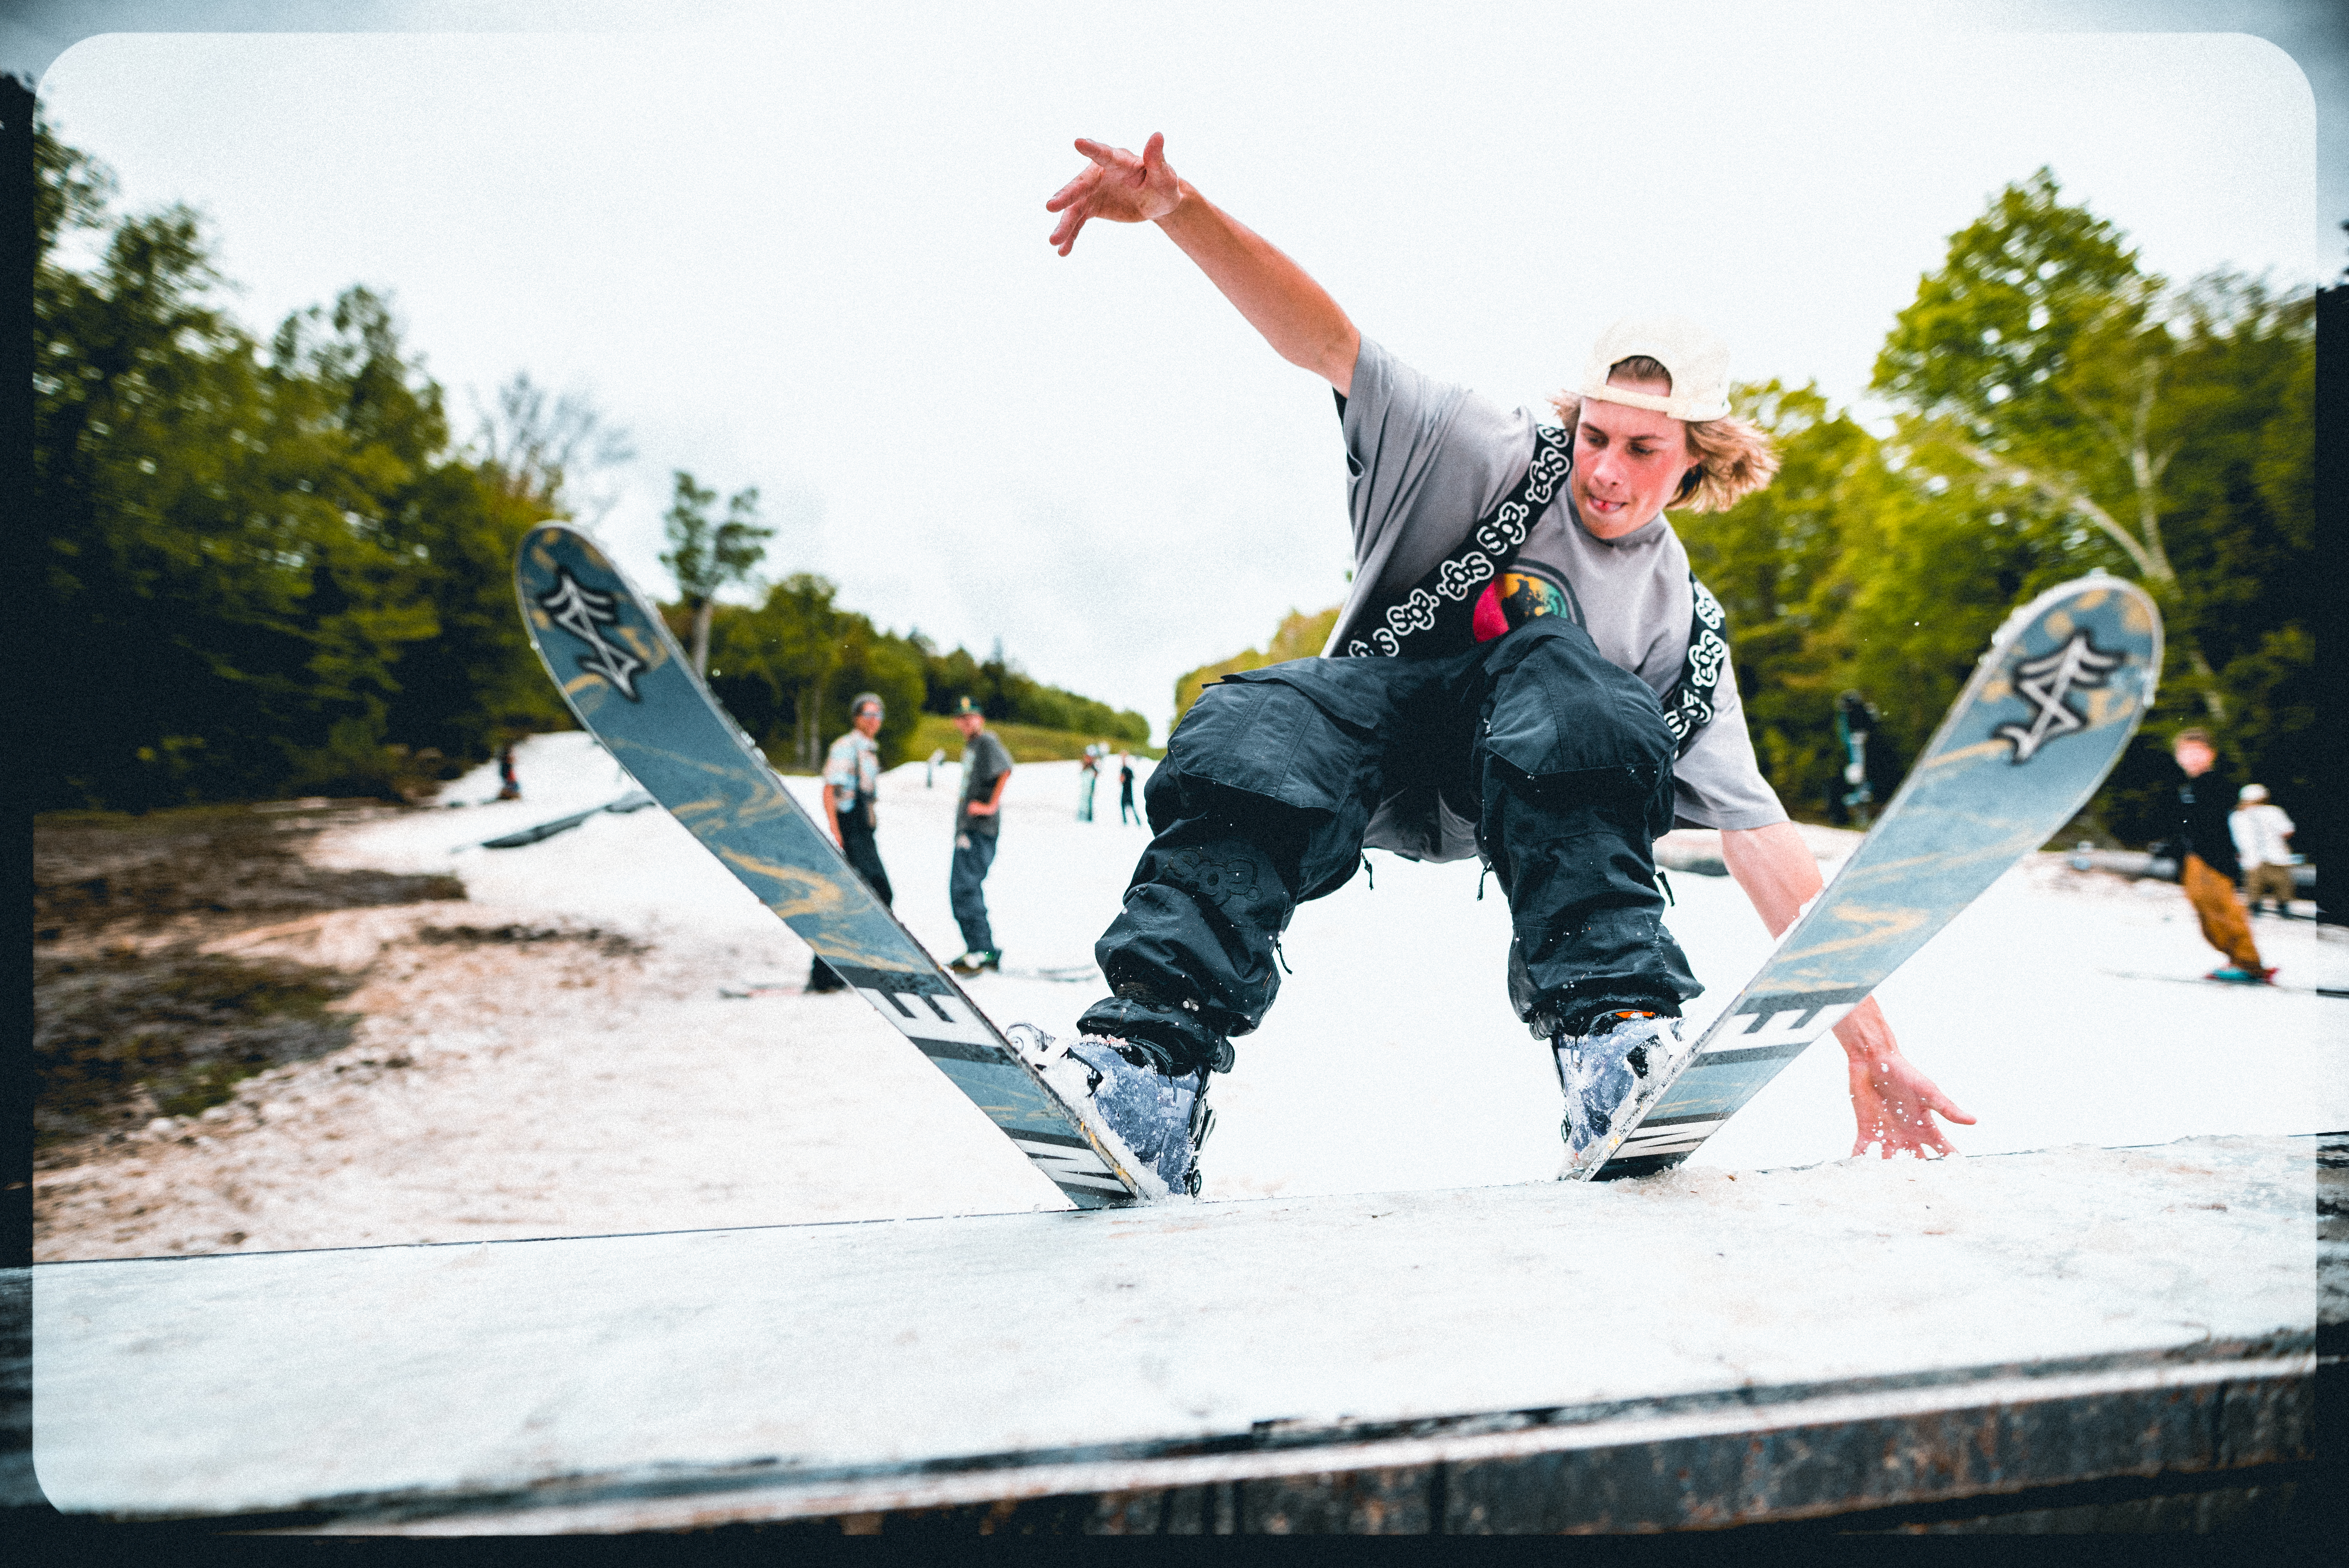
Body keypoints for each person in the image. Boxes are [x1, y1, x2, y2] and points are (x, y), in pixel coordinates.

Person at [1040, 132, 1972, 1197]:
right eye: (1597, 437)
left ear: (1700, 460)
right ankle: (1148, 1070)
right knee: (1250, 722)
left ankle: (1616, 1045)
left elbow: (1765, 846)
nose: (1607, 473)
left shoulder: (1682, 626)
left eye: (1643, 451)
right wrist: (1178, 212)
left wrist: (1870, 1042)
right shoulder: (1478, 448)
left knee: (1578, 688)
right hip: (1373, 749)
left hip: (1539, 789)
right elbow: (1325, 340)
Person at [2158, 729, 2270, 983]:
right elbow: (2185, 824)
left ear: (2211, 754)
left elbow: (2223, 816)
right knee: (2204, 910)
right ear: (2178, 757)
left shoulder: (2215, 783)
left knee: (2221, 908)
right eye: (2186, 753)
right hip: (2193, 859)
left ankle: (2248, 961)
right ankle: (2234, 957)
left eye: (2198, 752)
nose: (2193, 758)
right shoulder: (2187, 787)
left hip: (2215, 859)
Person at [806, 693, 896, 994]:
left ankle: (837, 969)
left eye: (878, 714)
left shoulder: (870, 751)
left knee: (855, 897)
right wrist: (836, 831)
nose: (874, 720)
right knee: (877, 892)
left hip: (864, 831)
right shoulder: (846, 746)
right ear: (857, 717)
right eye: (868, 714)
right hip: (851, 829)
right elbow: (830, 790)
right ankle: (829, 971)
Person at [948, 696, 1014, 974]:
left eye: (972, 716)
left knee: (965, 888)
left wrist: (990, 805)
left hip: (980, 829)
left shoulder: (987, 741)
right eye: (962, 718)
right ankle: (980, 949)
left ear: (981, 719)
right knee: (963, 888)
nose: (967, 722)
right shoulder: (972, 746)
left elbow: (1006, 769)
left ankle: (983, 951)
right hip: (969, 829)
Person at [2231, 783, 2297, 920]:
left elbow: (2236, 837)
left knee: (2253, 883)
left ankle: (2255, 906)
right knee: (2282, 883)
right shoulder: (2275, 812)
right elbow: (2288, 831)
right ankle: (2283, 906)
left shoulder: (2237, 815)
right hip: (2276, 854)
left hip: (2251, 856)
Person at [1117, 752, 1140, 825]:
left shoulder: (1124, 769)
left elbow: (1122, 780)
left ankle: (1125, 822)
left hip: (1125, 790)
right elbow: (1134, 777)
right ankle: (1137, 822)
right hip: (1130, 790)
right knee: (1132, 807)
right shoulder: (1130, 770)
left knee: (1123, 806)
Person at [1079, 747, 1100, 822]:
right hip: (1083, 799)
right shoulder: (1085, 769)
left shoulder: (1093, 770)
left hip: (1088, 797)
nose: (1088, 759)